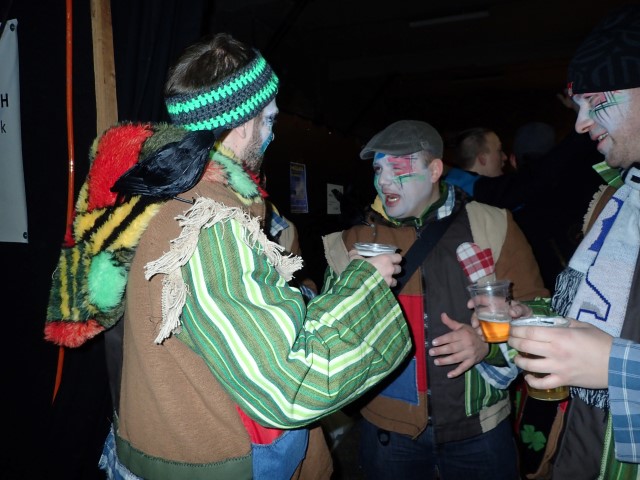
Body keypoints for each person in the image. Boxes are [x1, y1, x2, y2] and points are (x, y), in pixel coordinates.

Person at [44, 33, 413, 480]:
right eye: (269, 119)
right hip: (213, 460)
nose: (273, 132)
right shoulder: (209, 221)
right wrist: (364, 282)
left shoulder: (156, 190)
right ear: (242, 124)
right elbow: (290, 385)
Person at [322, 119, 549, 479]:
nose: (383, 181)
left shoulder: (494, 225)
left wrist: (488, 343)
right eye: (378, 170)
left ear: (434, 170)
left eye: (397, 168)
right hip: (387, 432)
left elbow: (538, 310)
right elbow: (327, 333)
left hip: (479, 428)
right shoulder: (353, 242)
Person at [507, 5, 640, 478]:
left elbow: (613, 355)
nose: (581, 122)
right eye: (577, 105)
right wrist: (537, 317)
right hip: (583, 443)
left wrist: (617, 367)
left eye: (595, 101)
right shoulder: (614, 197)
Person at [443, 126, 508, 195]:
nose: (505, 157)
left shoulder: (446, 188)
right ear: (482, 158)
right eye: (499, 151)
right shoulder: (484, 194)